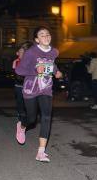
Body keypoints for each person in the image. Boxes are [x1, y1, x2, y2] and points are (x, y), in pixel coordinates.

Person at [14, 26, 63, 162]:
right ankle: (22, 125)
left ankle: (41, 152)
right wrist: (35, 70)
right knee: (31, 119)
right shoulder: (31, 52)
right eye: (42, 35)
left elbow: (51, 65)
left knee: (46, 117)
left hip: (46, 88)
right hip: (31, 89)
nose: (46, 36)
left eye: (47, 34)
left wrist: (56, 72)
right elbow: (19, 71)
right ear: (37, 40)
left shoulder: (54, 52)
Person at [12, 42, 32, 141]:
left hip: (31, 89)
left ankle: (22, 123)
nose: (22, 53)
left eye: (25, 52)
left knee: (30, 111)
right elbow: (19, 77)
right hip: (19, 87)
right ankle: (21, 124)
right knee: (21, 108)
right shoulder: (16, 62)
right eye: (21, 52)